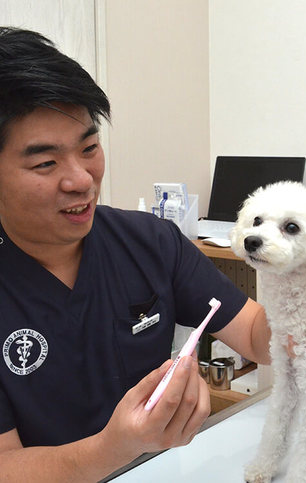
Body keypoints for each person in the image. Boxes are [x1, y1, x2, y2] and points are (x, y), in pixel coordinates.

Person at [0, 27, 271, 480]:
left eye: (89, 148)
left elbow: (258, 335)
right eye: (46, 163)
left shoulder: (151, 242)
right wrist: (113, 449)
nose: (81, 179)